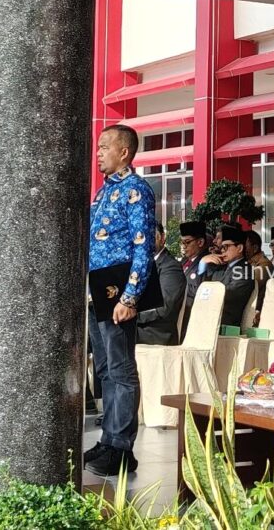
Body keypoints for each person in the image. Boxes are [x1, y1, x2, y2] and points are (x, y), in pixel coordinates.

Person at [84, 124, 155, 477]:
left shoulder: (136, 190)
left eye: (104, 147)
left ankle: (122, 447)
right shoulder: (103, 191)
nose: (98, 153)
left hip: (118, 293)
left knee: (122, 370)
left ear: (124, 152)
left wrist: (130, 296)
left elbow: (143, 247)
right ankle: (109, 438)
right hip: (96, 288)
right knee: (105, 370)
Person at [137, 223, 186, 345]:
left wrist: (133, 315)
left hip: (156, 331)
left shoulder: (171, 267)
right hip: (140, 327)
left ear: (162, 238)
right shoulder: (140, 264)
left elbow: (164, 306)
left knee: (110, 331)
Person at [199, 225, 254, 327]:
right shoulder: (220, 267)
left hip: (226, 324)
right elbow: (200, 287)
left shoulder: (245, 270)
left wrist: (206, 294)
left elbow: (229, 295)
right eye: (221, 247)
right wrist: (202, 263)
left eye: (225, 247)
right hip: (211, 317)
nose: (222, 251)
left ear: (239, 248)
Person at [179, 220, 207, 336]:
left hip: (191, 315)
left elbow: (199, 291)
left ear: (200, 242)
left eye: (187, 242)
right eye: (182, 242)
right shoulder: (184, 261)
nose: (183, 246)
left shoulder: (207, 262)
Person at [245, 229, 272, 324]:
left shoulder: (264, 264)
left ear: (255, 248)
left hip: (255, 313)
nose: (242, 248)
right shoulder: (248, 262)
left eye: (245, 245)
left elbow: (250, 285)